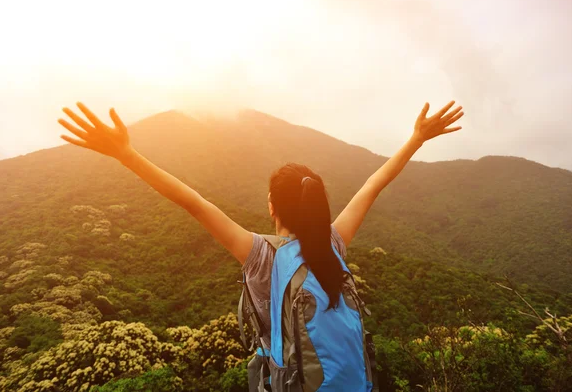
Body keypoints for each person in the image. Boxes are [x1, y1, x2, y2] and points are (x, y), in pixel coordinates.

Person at [58, 101, 463, 390]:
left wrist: (125, 154)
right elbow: (373, 185)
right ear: (319, 206)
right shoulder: (334, 242)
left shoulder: (261, 256)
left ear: (271, 206)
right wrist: (416, 139)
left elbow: (193, 202)